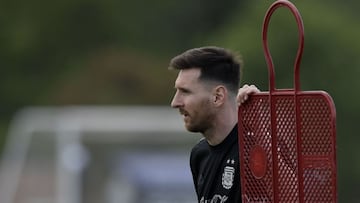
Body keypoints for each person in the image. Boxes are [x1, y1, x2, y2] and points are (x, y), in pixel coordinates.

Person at [169, 46, 259, 202]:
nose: (175, 102)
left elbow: (293, 196)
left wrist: (261, 125)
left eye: (185, 92)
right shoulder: (199, 154)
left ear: (218, 97)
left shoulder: (257, 149)